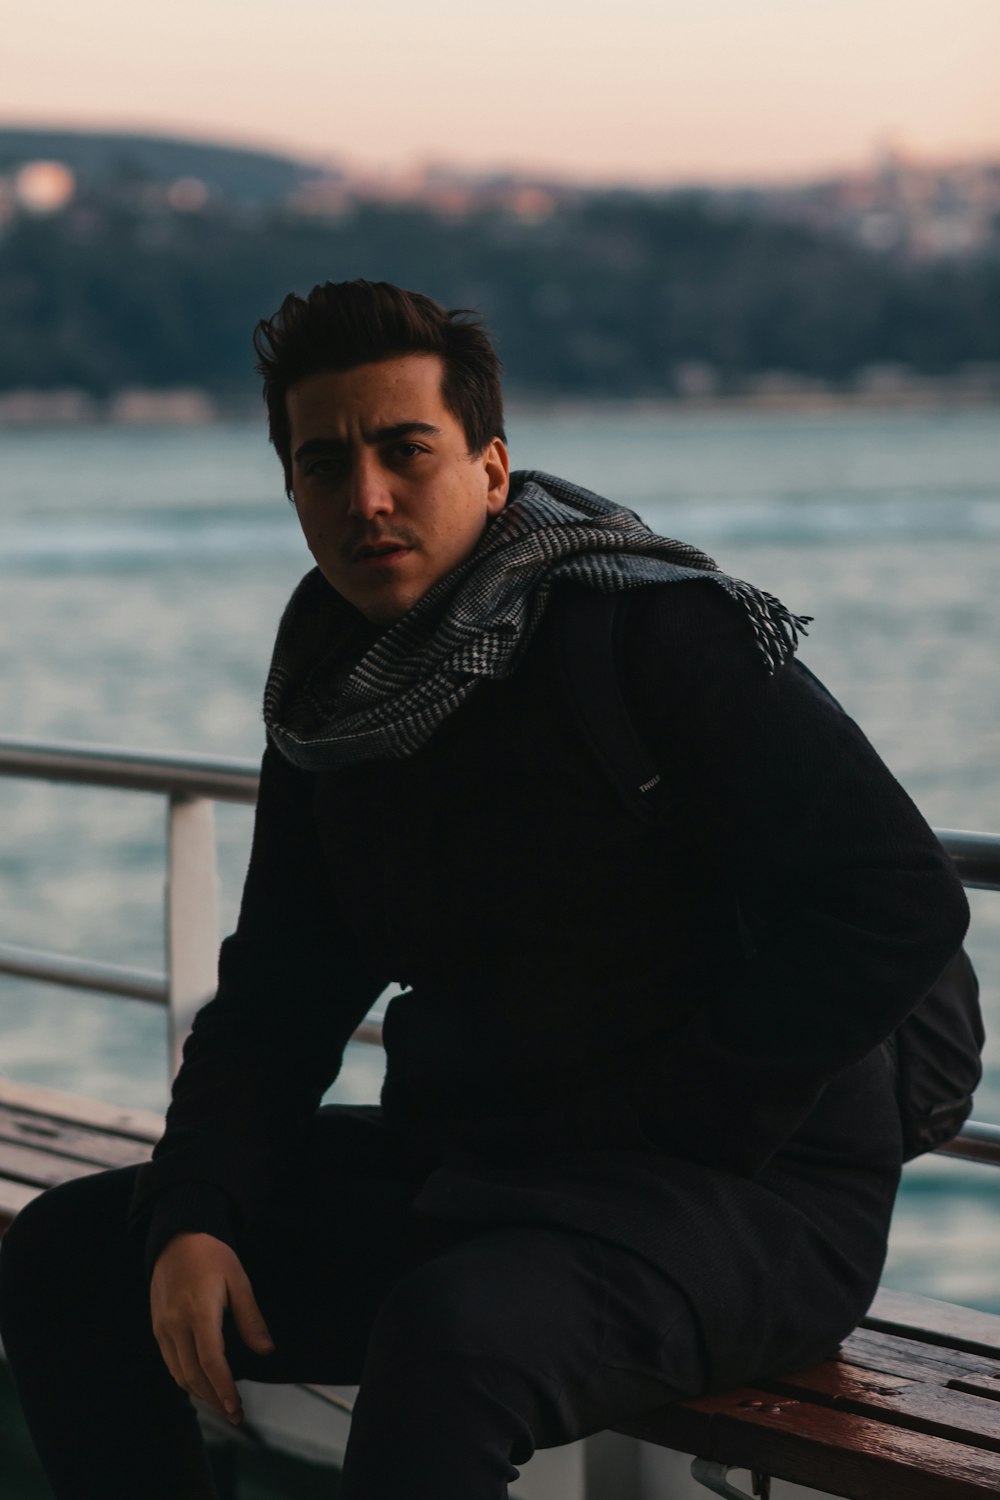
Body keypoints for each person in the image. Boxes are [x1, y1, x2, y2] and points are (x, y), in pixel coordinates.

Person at [0, 280, 969, 1500]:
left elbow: (897, 901)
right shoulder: (332, 696)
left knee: (454, 1337)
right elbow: (279, 1000)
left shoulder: (655, 636)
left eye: (406, 451)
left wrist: (677, 1116)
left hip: (737, 1198)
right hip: (481, 1162)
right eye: (324, 464)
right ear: (292, 490)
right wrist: (197, 1210)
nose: (367, 497)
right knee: (75, 1256)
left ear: (492, 466)